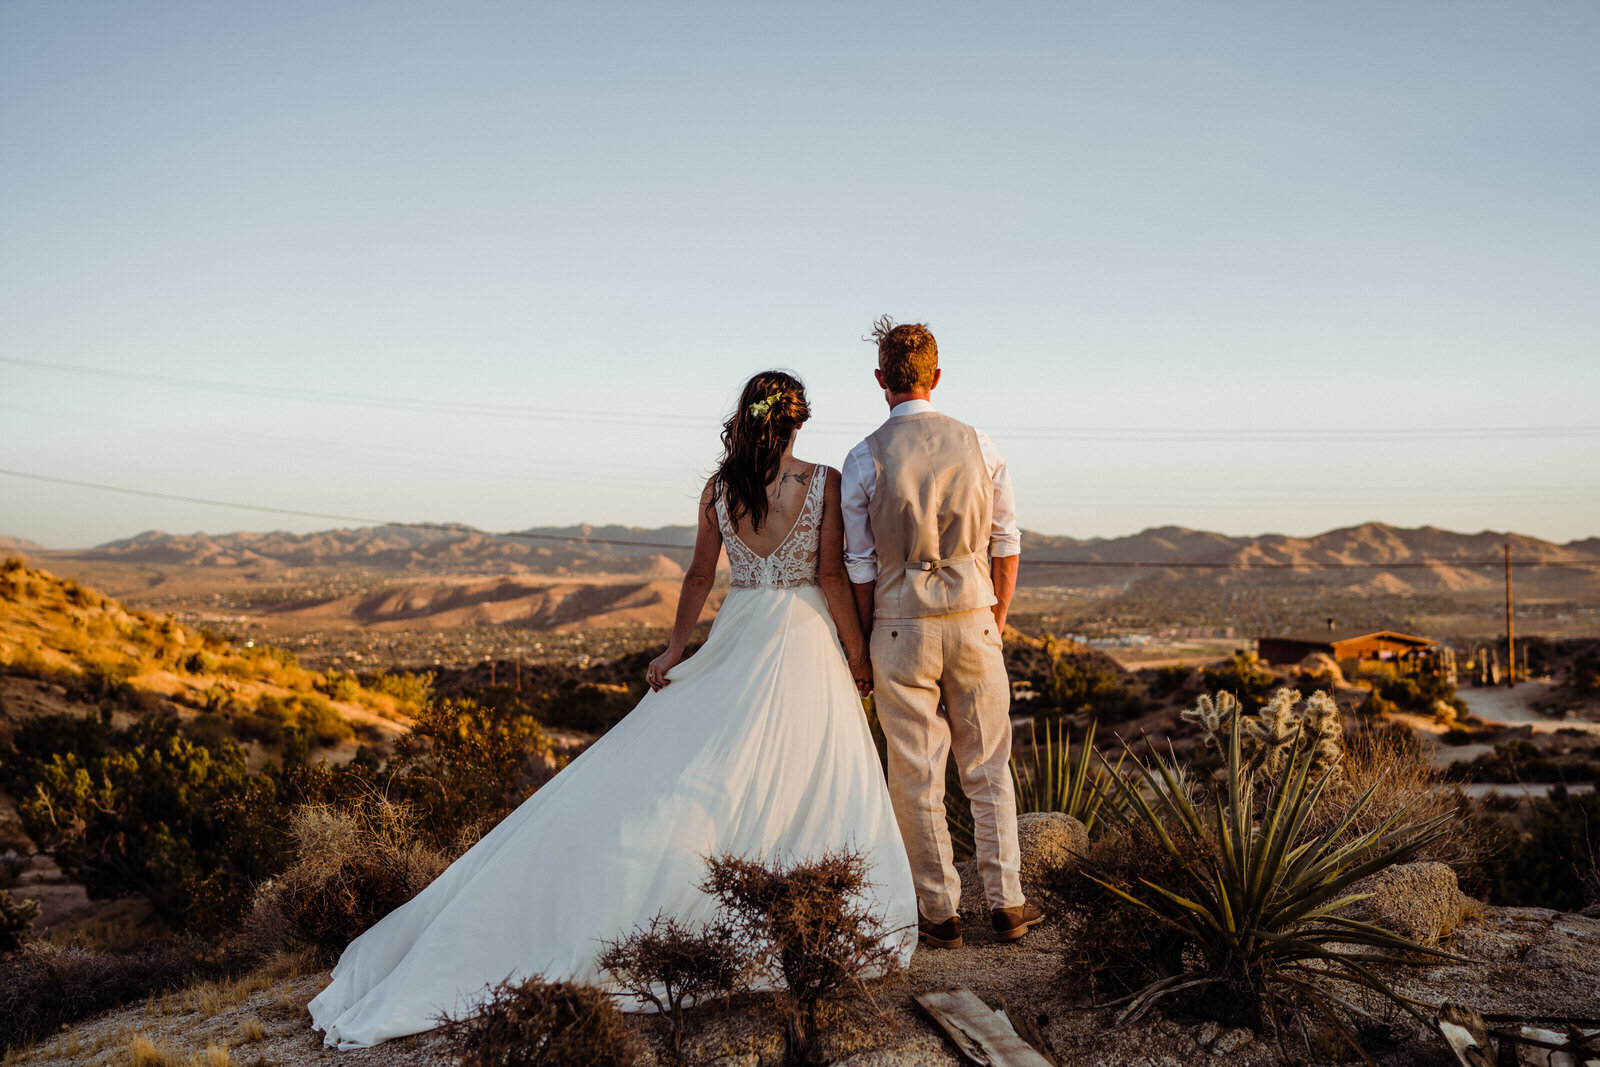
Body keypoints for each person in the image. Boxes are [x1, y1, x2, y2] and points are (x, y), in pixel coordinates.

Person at [309, 370, 916, 1049]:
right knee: (801, 774)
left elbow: (697, 576)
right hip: (802, 637)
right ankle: (795, 918)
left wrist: (673, 651)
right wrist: (858, 659)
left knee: (718, 762)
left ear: (747, 419)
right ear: (797, 422)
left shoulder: (720, 489)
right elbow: (832, 576)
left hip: (741, 628)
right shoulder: (824, 482)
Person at [842, 317, 1041, 951]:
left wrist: (873, 632)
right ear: (936, 376)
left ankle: (940, 912)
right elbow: (1006, 539)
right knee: (988, 767)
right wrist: (997, 615)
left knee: (916, 773)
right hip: (974, 616)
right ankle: (1008, 902)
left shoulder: (863, 457)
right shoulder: (980, 443)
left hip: (901, 625)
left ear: (880, 380)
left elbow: (859, 563)